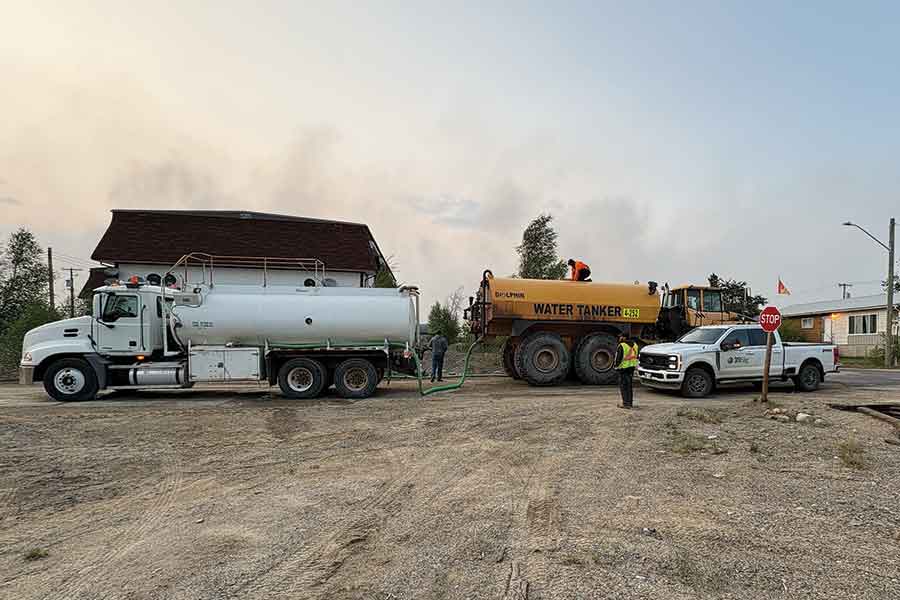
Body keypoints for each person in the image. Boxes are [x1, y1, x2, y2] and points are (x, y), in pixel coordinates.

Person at [615, 332, 640, 409]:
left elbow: (618, 358)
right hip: (631, 368)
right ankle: (630, 403)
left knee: (623, 386)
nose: (619, 338)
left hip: (623, 368)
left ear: (624, 338)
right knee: (629, 386)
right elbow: (636, 356)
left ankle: (625, 404)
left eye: (621, 337)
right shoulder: (635, 345)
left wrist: (616, 366)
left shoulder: (622, 345)